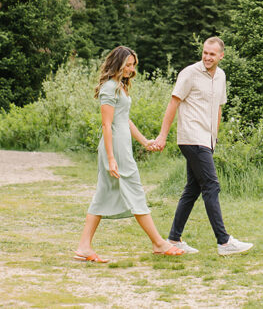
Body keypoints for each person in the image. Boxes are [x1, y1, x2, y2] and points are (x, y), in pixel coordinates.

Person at [74, 46, 184, 262]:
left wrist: (145, 142)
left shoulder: (120, 87)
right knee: (135, 190)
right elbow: (107, 126)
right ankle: (159, 243)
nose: (131, 69)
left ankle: (84, 247)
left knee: (103, 194)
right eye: (128, 65)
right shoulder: (109, 88)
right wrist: (112, 158)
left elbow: (124, 119)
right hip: (115, 148)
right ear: (117, 63)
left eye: (133, 65)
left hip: (122, 147)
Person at [152, 36, 253, 256]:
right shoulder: (189, 73)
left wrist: (214, 138)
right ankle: (224, 242)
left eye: (212, 54)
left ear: (221, 56)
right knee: (211, 185)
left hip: (206, 140)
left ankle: (174, 238)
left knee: (193, 188)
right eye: (205, 52)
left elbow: (218, 107)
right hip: (191, 136)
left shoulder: (221, 76)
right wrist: (162, 135)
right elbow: (174, 102)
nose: (207, 57)